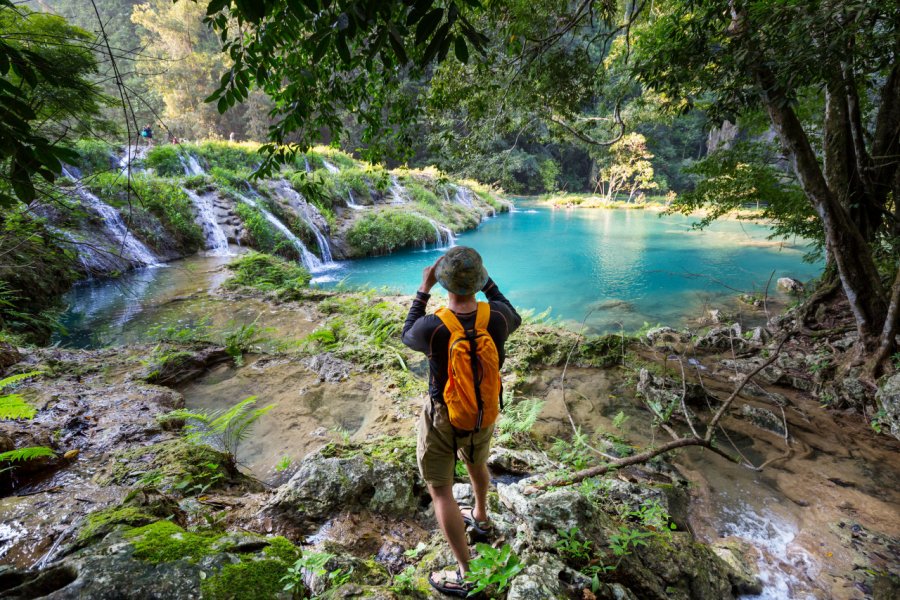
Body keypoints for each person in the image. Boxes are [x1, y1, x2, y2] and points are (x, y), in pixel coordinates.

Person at [401, 246, 521, 597]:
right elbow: (511, 309)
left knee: (440, 490)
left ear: (443, 283)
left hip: (443, 415)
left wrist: (423, 288)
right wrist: (486, 281)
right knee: (477, 461)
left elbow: (407, 332)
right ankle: (481, 517)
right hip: (483, 411)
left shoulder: (433, 327)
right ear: (481, 280)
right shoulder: (497, 316)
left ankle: (467, 573)